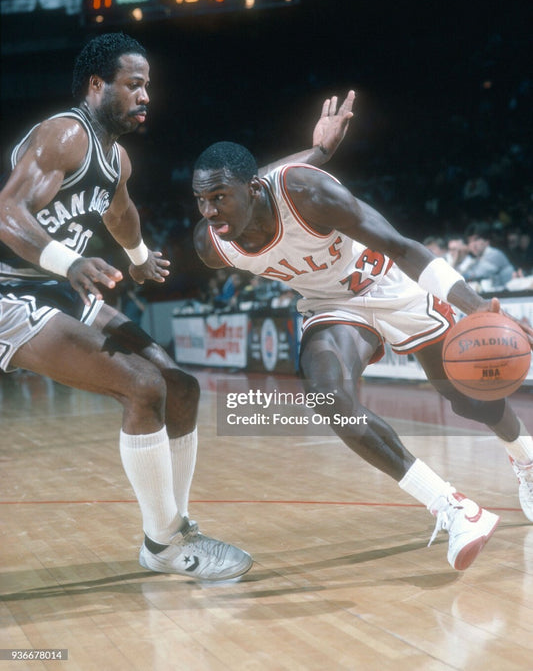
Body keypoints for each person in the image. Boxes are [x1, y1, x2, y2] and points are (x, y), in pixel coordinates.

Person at [0, 32, 355, 580]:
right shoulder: (65, 134)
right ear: (96, 85)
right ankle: (163, 544)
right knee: (142, 387)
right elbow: (7, 212)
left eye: (148, 85)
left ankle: (174, 527)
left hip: (57, 290)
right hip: (12, 292)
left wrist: (139, 257)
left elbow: (120, 215)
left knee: (180, 386)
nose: (145, 95)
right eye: (133, 84)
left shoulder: (115, 159)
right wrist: (68, 262)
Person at [192, 142, 533, 572]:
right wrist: (316, 149)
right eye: (201, 200)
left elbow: (402, 247)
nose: (209, 211)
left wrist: (478, 307)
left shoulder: (307, 193)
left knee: (470, 400)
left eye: (219, 197)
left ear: (254, 189)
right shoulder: (213, 246)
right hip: (333, 307)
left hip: (391, 283)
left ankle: (527, 460)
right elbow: (238, 186)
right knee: (329, 397)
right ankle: (453, 508)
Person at [462, 221, 515, 289]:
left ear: (487, 241)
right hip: (499, 292)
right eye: (470, 241)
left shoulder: (494, 254)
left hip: (512, 292)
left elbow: (474, 274)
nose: (473, 244)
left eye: (476, 240)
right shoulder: (477, 258)